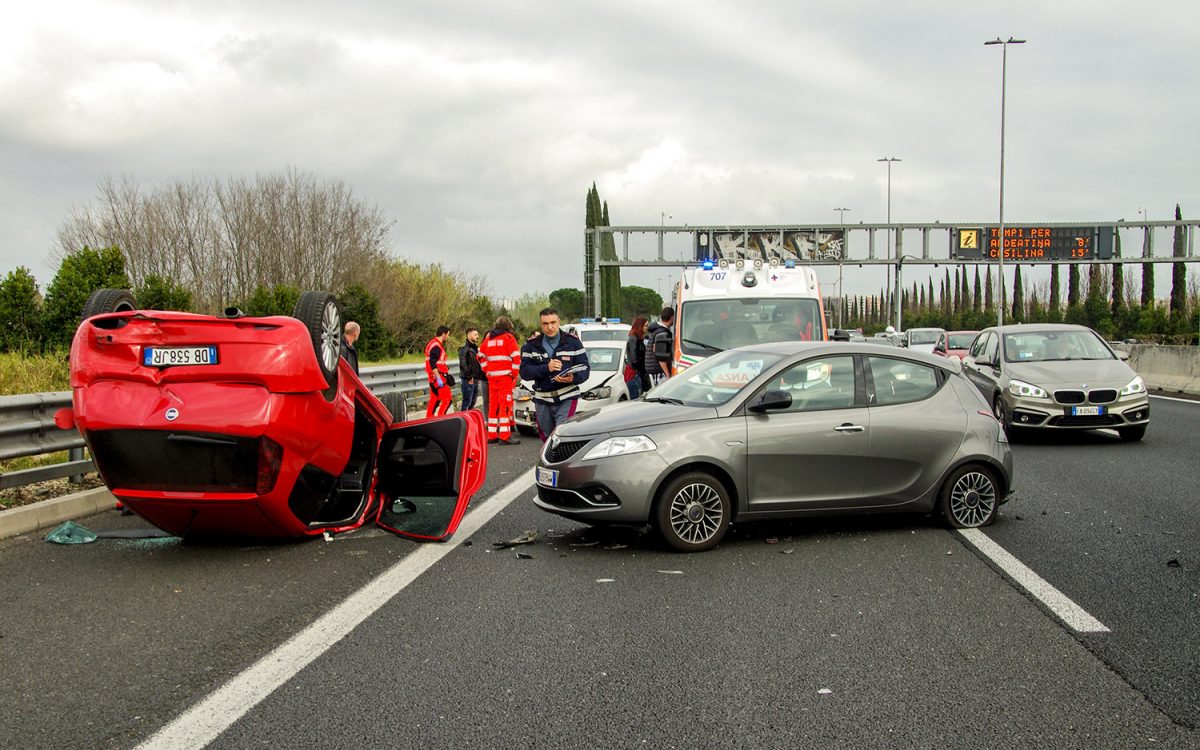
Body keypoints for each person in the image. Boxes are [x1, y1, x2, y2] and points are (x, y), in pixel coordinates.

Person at [520, 307, 590, 442]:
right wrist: (547, 367)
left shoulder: (573, 343)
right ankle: (549, 462)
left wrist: (573, 378)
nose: (550, 327)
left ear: (559, 322)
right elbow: (524, 372)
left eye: (553, 322)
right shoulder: (531, 346)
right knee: (547, 439)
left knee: (562, 434)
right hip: (542, 399)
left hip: (567, 397)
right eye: (545, 324)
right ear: (541, 325)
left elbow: (585, 369)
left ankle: (564, 462)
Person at [480, 316, 522, 444]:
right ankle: (505, 436)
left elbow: (480, 356)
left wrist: (487, 371)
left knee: (493, 405)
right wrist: (514, 374)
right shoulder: (509, 338)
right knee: (505, 405)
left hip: (492, 378)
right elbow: (516, 357)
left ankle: (491, 435)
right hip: (505, 378)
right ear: (509, 326)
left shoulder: (489, 339)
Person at [424, 325, 454, 418]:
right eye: (448, 335)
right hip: (437, 377)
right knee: (447, 399)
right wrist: (438, 378)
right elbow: (433, 363)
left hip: (433, 377)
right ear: (443, 334)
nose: (448, 337)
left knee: (434, 400)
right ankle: (441, 419)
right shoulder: (436, 346)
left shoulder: (432, 344)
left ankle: (429, 419)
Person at [644, 307, 675, 384]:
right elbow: (661, 357)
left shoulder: (656, 330)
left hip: (653, 368)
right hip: (658, 371)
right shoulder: (662, 333)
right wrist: (667, 374)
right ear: (672, 317)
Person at [458, 327, 483, 411]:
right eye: (475, 334)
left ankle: (468, 421)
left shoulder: (475, 348)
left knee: (472, 402)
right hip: (468, 380)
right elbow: (463, 364)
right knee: (467, 402)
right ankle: (463, 422)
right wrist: (469, 377)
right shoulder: (464, 349)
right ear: (469, 335)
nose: (477, 336)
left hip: (475, 379)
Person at [624, 316, 648, 399]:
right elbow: (635, 359)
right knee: (636, 399)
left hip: (637, 373)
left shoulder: (638, 339)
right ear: (640, 327)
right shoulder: (633, 339)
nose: (647, 328)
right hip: (634, 374)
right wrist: (643, 369)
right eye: (645, 326)